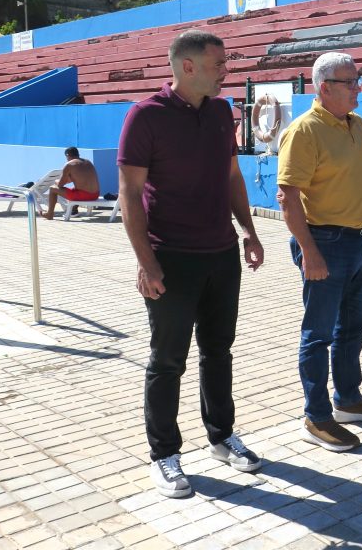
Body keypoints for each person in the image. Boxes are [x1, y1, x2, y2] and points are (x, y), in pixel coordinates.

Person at [118, 30, 265, 499]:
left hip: (221, 254)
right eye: (218, 63)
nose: (226, 70)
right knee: (167, 360)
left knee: (218, 352)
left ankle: (222, 437)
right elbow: (129, 197)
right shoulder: (146, 117)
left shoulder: (223, 112)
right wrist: (147, 263)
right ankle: (164, 455)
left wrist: (249, 230)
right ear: (187, 67)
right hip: (171, 258)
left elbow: (232, 176)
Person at [277, 52, 362, 453]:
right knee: (318, 334)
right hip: (327, 243)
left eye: (359, 80)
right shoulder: (305, 131)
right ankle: (316, 417)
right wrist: (310, 253)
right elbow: (288, 197)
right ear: (325, 87)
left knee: (354, 325)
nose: (358, 88)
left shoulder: (359, 125)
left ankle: (348, 398)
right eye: (351, 82)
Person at [41, 147, 100, 220]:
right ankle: (74, 211)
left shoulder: (69, 165)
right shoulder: (88, 162)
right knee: (74, 189)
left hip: (84, 196)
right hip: (95, 195)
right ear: (78, 154)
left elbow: (60, 185)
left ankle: (49, 214)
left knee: (53, 189)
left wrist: (56, 181)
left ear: (67, 155)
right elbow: (81, 179)